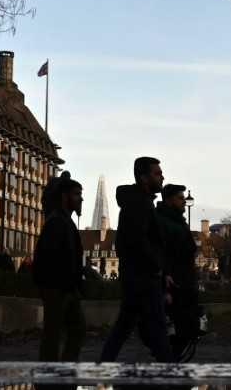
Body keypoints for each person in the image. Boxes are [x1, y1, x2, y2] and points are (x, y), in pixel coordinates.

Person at [98, 156, 175, 364]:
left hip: (138, 275)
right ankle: (170, 374)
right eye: (157, 173)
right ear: (143, 178)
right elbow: (138, 241)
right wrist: (157, 267)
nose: (162, 177)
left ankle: (102, 365)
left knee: (125, 326)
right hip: (143, 277)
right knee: (157, 328)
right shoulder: (139, 204)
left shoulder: (139, 202)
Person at [33, 172, 86, 362]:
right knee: (56, 333)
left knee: (70, 331)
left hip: (65, 288)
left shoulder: (63, 221)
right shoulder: (58, 222)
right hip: (59, 288)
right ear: (65, 197)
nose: (81, 199)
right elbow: (49, 258)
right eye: (77, 194)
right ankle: (53, 378)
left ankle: (61, 375)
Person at [155, 182, 203, 360]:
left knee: (186, 327)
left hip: (184, 280)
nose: (184, 201)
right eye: (180, 198)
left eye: (184, 198)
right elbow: (161, 250)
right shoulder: (164, 221)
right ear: (169, 200)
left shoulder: (177, 220)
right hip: (175, 281)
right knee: (177, 329)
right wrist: (166, 277)